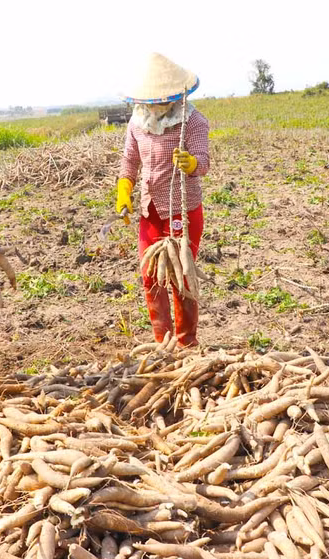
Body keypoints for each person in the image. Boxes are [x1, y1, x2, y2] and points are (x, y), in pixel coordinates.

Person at [117, 53, 210, 347]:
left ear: (173, 97)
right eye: (149, 100)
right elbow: (129, 160)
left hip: (182, 209)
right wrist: (124, 189)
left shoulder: (193, 121)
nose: (154, 105)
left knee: (182, 277)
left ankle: (186, 343)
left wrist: (191, 163)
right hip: (150, 210)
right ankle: (164, 343)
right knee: (150, 276)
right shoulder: (137, 122)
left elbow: (204, 163)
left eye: (160, 100)